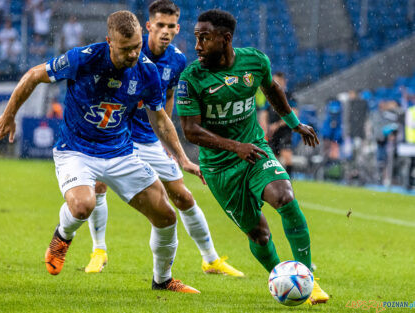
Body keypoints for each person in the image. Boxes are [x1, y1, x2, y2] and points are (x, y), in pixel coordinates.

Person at [0, 10, 202, 294]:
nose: (133, 55)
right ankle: (62, 236)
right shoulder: (84, 58)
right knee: (82, 205)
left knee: (166, 215)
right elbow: (33, 76)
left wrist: (182, 157)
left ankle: (162, 280)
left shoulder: (147, 70)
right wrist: (9, 115)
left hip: (120, 153)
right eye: (126, 49)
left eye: (137, 47)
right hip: (76, 151)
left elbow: (160, 118)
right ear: (109, 41)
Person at [176, 9, 329, 304]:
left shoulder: (254, 62)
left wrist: (294, 124)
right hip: (220, 167)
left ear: (225, 38)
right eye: (196, 38)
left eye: (204, 38)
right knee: (258, 234)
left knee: (285, 197)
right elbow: (191, 131)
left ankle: (307, 278)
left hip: (255, 150)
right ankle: (281, 278)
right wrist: (235, 147)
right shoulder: (191, 78)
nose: (197, 45)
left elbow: (272, 89)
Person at [85, 0, 243, 278]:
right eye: (159, 25)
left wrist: (166, 143)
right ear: (148, 26)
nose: (165, 31)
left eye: (171, 26)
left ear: (178, 27)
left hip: (148, 139)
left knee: (182, 195)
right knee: (98, 184)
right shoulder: (129, 48)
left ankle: (211, 259)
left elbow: (168, 98)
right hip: (117, 133)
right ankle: (99, 250)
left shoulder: (178, 60)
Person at [258, 72, 295, 176]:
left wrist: (277, 125)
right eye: (274, 81)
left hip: (284, 131)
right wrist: (265, 128)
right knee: (273, 159)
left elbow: (294, 113)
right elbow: (264, 113)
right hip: (271, 131)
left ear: (284, 82)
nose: (275, 83)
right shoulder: (268, 95)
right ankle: (277, 180)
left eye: (278, 81)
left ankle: (289, 179)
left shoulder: (289, 96)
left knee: (287, 156)